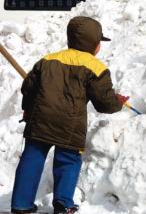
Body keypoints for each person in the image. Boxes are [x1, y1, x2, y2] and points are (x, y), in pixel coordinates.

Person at [11, 16, 129, 214]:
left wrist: (28, 108)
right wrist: (118, 101)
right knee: (68, 160)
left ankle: (21, 204)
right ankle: (64, 204)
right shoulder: (96, 67)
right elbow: (104, 103)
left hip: (40, 119)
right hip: (70, 124)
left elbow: (29, 87)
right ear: (94, 44)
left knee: (32, 158)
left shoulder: (48, 60)